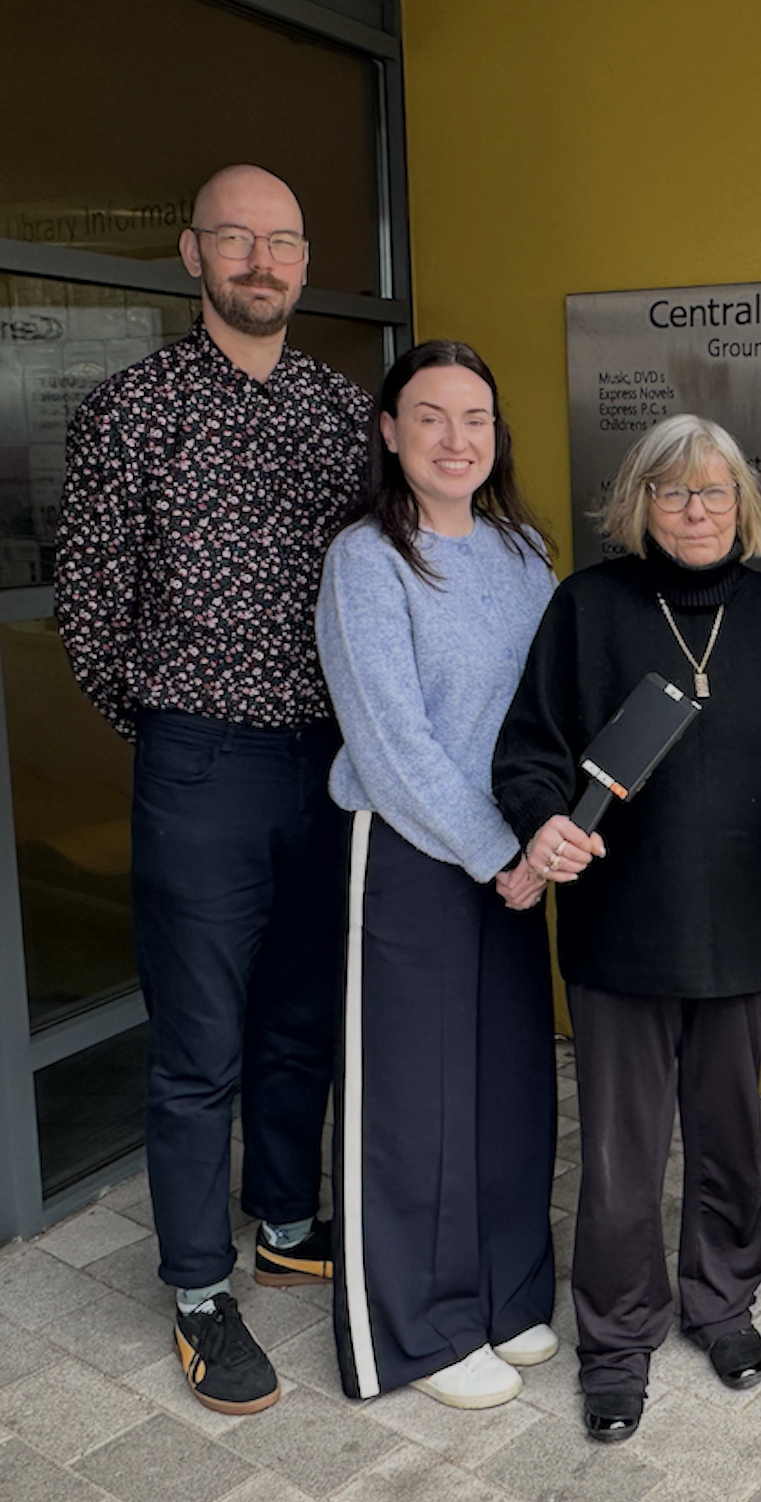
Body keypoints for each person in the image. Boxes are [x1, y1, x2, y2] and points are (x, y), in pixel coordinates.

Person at [54, 165, 369, 1415]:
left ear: (305, 260)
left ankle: (285, 1219)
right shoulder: (132, 409)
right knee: (197, 1044)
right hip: (201, 761)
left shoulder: (344, 413)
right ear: (192, 254)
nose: (260, 260)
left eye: (281, 240)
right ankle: (197, 1285)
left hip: (327, 760)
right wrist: (172, 728)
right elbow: (90, 608)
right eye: (235, 237)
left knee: (300, 1011)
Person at [492, 413, 761, 1444]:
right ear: (640, 503)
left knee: (731, 1137)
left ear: (744, 505)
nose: (695, 509)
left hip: (744, 930)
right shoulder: (587, 607)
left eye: (714, 491)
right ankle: (616, 1339)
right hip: (619, 930)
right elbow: (530, 750)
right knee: (619, 1155)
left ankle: (721, 1305)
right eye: (673, 490)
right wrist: (540, 820)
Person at [315, 340, 561, 1410]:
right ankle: (417, 1330)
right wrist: (500, 849)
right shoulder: (369, 558)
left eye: (476, 418)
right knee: (412, 1100)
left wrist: (543, 835)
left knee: (508, 1084)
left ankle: (506, 1291)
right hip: (411, 854)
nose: (456, 439)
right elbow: (389, 740)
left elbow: (551, 708)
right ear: (389, 429)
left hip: (511, 856)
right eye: (430, 416)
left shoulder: (522, 551)